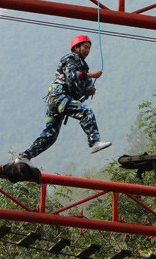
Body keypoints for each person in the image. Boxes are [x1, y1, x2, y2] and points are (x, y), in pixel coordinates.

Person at [18, 34, 111, 164]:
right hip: (59, 97)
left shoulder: (82, 66)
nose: (87, 51)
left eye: (89, 48)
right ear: (77, 48)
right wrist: (91, 75)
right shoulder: (70, 58)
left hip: (56, 101)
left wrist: (89, 90)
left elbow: (78, 87)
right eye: (85, 47)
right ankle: (94, 142)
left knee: (50, 135)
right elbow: (71, 75)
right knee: (85, 111)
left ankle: (24, 157)